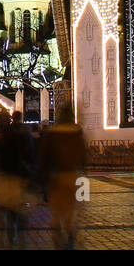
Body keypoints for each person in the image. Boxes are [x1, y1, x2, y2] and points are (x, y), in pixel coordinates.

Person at [40, 104, 86, 249]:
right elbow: (83, 158)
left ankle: (58, 240)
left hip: (57, 177)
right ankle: (71, 235)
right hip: (76, 177)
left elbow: (45, 158)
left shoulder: (52, 134)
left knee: (57, 212)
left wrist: (43, 179)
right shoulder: (78, 133)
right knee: (73, 210)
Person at [0, 111, 34, 245]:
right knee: (21, 204)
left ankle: (11, 235)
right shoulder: (26, 131)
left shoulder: (7, 132)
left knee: (9, 206)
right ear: (21, 118)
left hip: (8, 173)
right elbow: (31, 152)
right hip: (22, 173)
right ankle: (22, 235)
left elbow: (0, 151)